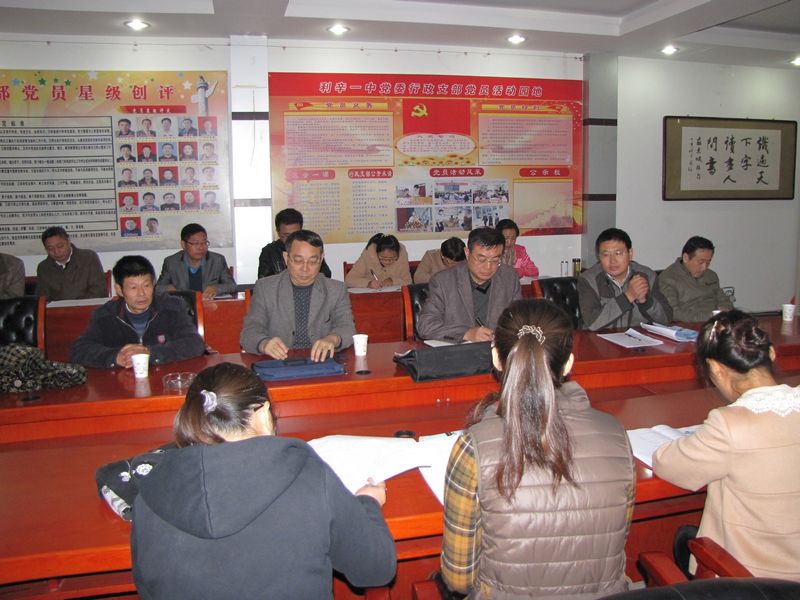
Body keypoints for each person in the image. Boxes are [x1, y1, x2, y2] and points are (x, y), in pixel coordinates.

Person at [131, 362, 396, 599]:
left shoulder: (150, 495)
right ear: (262, 414)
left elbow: (146, 589)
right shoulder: (308, 476)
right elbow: (375, 570)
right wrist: (368, 502)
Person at [441, 299, 635, 597]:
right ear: (569, 363)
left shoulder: (472, 446)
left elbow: (459, 580)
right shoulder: (617, 435)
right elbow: (618, 540)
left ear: (496, 358)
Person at [653, 310, 800, 581]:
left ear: (716, 369)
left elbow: (669, 465)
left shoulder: (728, 424)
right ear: (771, 354)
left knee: (684, 538)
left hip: (752, 580)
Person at [69, 255, 204, 369]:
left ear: (154, 284)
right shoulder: (106, 315)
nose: (141, 294)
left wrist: (149, 353)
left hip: (163, 378)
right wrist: (116, 357)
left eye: (146, 285)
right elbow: (79, 350)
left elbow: (195, 343)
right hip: (121, 383)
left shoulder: (171, 307)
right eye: (133, 287)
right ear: (119, 290)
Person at [241, 229, 355, 361]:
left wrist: (332, 339)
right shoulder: (266, 288)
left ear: (321, 259)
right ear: (286, 258)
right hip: (278, 361)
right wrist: (264, 344)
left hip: (321, 360)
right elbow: (249, 333)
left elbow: (347, 329)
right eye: (298, 260)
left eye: (312, 261)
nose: (305, 269)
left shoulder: (336, 290)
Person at [417, 227, 521, 342]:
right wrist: (466, 334)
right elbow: (426, 326)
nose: (488, 267)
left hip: (498, 348)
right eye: (481, 259)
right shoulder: (443, 281)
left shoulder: (509, 277)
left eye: (495, 260)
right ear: (467, 253)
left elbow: (520, 319)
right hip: (459, 350)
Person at [578, 227, 671, 331]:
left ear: (630, 254)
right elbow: (592, 323)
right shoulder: (589, 280)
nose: (612, 261)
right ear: (599, 257)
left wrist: (646, 302)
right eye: (606, 255)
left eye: (618, 253)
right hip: (600, 338)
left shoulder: (647, 276)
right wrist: (628, 297)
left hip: (638, 339)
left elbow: (666, 320)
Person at [657, 236, 734, 322]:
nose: (704, 267)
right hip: (690, 323)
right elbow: (673, 313)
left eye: (708, 262)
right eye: (701, 262)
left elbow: (723, 299)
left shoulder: (711, 275)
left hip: (717, 321)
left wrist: (726, 309)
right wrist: (709, 316)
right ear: (686, 258)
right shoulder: (668, 278)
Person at [155, 223, 237, 299]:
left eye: (204, 242)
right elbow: (158, 288)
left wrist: (216, 288)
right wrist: (168, 289)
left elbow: (232, 286)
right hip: (182, 307)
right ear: (183, 244)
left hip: (209, 306)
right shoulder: (171, 262)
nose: (201, 247)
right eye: (196, 243)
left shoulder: (217, 260)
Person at [35, 227, 106, 300]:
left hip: (88, 305)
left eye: (60, 246)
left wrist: (78, 304)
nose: (56, 252)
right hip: (58, 307)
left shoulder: (88, 257)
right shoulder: (43, 267)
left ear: (68, 242)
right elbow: (43, 298)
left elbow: (99, 291)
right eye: (50, 248)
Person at [257, 208, 331, 279]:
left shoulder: (310, 247)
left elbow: (326, 275)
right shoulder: (269, 252)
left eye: (296, 234)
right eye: (286, 235)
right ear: (278, 233)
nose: (292, 239)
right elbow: (264, 281)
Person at [345, 233, 412, 289]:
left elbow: (408, 281)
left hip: (393, 296)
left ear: (398, 254)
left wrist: (393, 281)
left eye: (392, 259)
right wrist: (368, 283)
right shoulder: (368, 255)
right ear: (376, 253)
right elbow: (349, 280)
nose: (387, 262)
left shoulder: (402, 256)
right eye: (383, 258)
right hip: (371, 296)